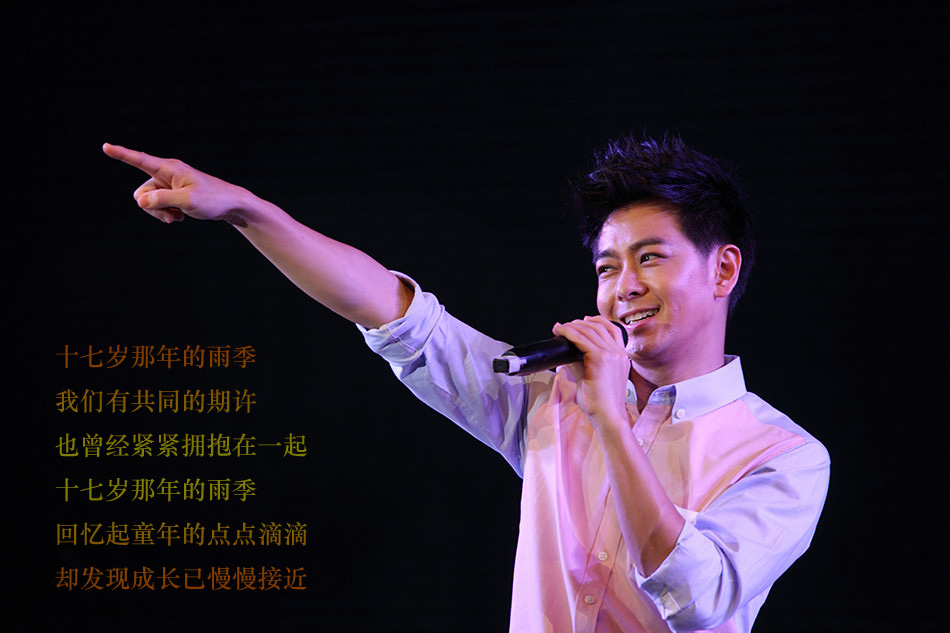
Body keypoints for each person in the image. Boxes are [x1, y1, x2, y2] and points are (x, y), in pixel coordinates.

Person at [103, 134, 829, 632]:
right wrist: (244, 209)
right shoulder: (552, 398)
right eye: (607, 267)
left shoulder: (782, 456)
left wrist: (610, 415)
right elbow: (397, 315)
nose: (624, 287)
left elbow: (697, 599)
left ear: (722, 269)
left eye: (650, 258)